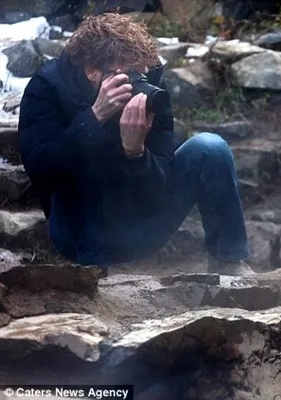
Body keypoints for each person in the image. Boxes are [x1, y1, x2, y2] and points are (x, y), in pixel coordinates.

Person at [17, 13, 255, 277]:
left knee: (210, 148)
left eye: (140, 73)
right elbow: (42, 171)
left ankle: (228, 262)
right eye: (127, 75)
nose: (138, 83)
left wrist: (136, 153)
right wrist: (94, 119)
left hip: (142, 223)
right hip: (79, 234)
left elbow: (160, 184)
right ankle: (94, 277)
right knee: (89, 162)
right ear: (92, 71)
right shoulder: (47, 87)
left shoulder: (152, 86)